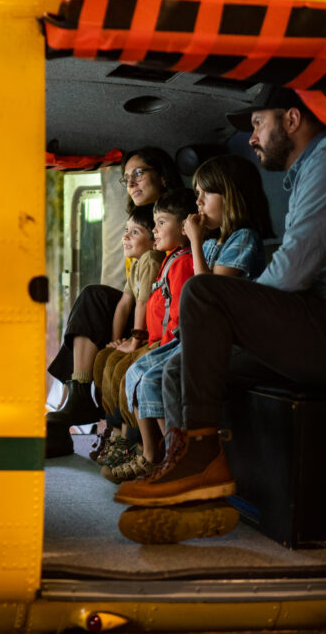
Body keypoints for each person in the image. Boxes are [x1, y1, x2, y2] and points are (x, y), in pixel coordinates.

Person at [114, 86, 326, 519]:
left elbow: (292, 273)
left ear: (292, 120)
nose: (252, 137)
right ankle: (193, 491)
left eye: (257, 124)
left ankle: (201, 460)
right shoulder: (308, 173)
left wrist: (235, 313)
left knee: (204, 291)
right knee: (175, 370)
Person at [102, 155, 273, 483]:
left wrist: (194, 240)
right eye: (195, 195)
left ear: (229, 196)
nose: (198, 203)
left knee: (159, 377)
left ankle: (176, 459)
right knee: (140, 370)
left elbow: (207, 292)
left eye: (205, 195)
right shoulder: (211, 243)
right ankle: (158, 456)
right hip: (197, 334)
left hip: (227, 337)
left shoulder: (243, 240)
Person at [46, 147, 181, 457]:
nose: (131, 183)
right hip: (141, 305)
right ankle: (76, 396)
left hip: (160, 309)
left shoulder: (173, 216)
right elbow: (129, 295)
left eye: (138, 174)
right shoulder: (136, 226)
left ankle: (79, 399)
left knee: (94, 296)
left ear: (162, 176)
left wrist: (135, 336)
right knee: (93, 300)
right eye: (125, 178)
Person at [95, 187, 197, 478]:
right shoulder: (168, 259)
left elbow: (177, 314)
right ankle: (140, 445)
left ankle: (156, 452)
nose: (156, 230)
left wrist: (147, 342)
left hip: (168, 343)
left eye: (161, 223)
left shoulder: (182, 262)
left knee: (138, 372)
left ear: (184, 225)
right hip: (158, 341)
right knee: (123, 367)